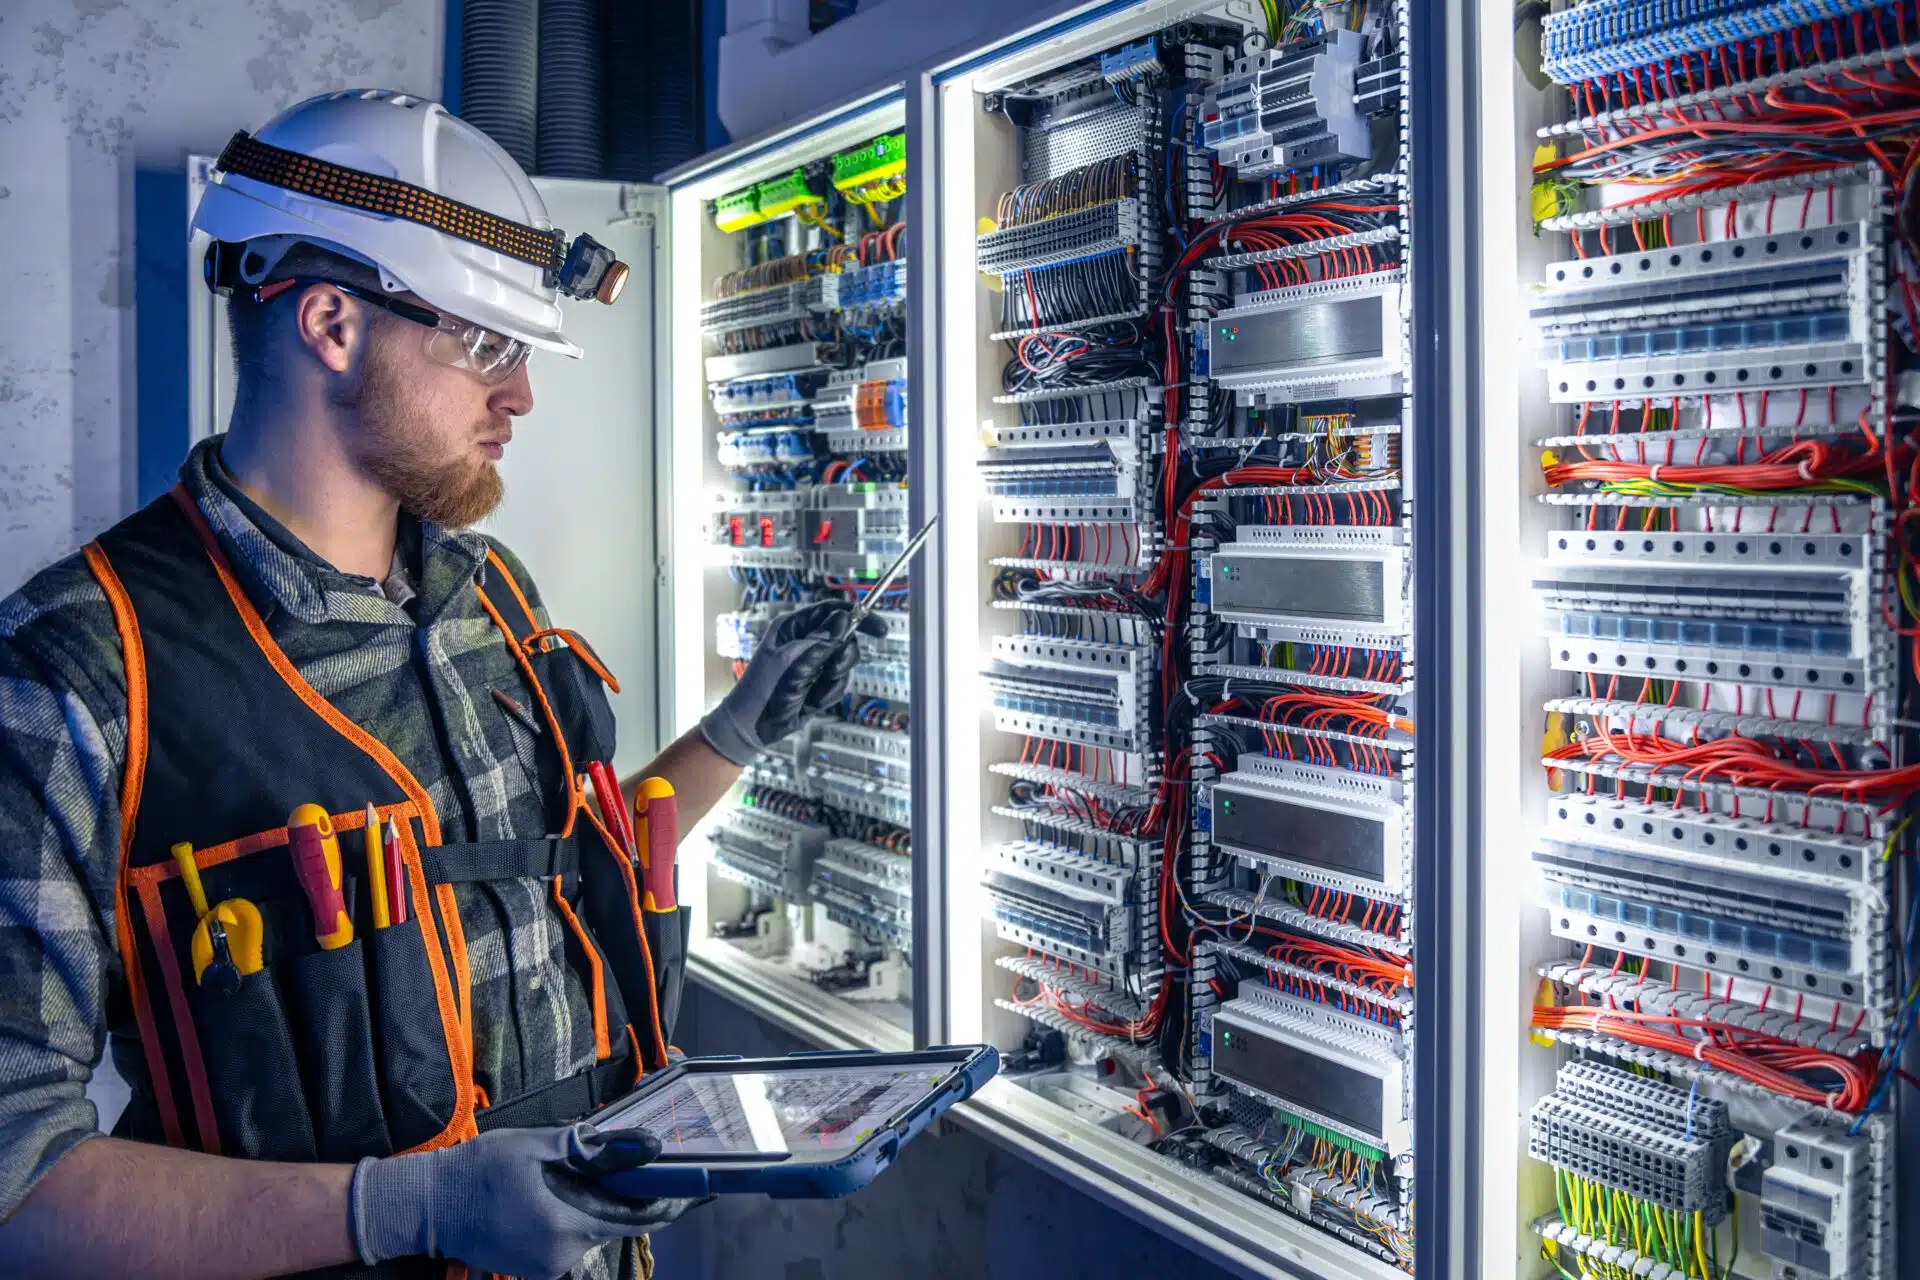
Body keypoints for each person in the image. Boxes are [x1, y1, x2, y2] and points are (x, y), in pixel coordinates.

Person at [0, 89, 880, 1278]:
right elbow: (22, 1188)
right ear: (329, 321)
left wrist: (730, 734)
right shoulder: (83, 665)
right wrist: (400, 1210)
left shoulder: (489, 596)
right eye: (486, 345)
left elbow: (547, 868)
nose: (518, 395)